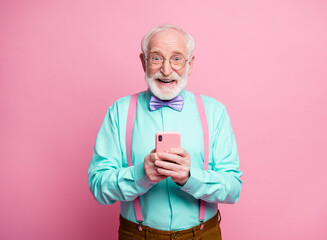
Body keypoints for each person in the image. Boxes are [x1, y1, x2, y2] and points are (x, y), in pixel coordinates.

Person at [88, 24, 243, 240]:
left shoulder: (214, 111)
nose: (167, 70)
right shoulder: (119, 111)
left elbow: (233, 188)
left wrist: (191, 177)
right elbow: (98, 187)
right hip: (137, 235)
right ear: (143, 62)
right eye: (157, 58)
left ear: (190, 64)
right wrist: (141, 175)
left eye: (177, 58)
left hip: (203, 234)